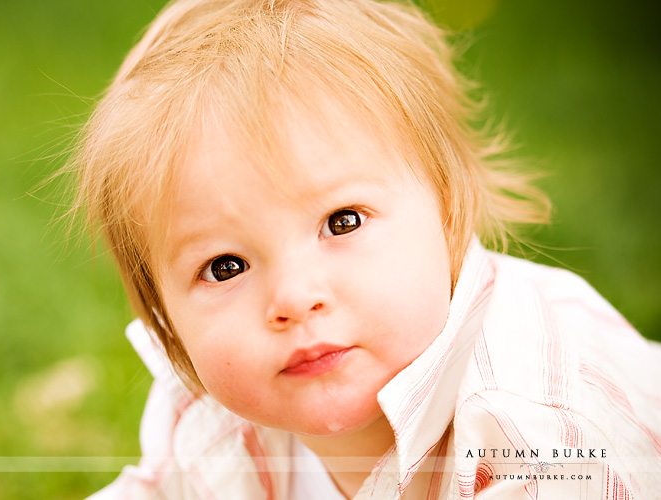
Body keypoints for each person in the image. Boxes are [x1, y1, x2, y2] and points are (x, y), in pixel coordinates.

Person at [69, 0, 661, 498]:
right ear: (164, 317)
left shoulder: (540, 436)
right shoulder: (206, 410)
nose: (295, 298)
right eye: (226, 266)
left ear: (448, 209)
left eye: (342, 221)